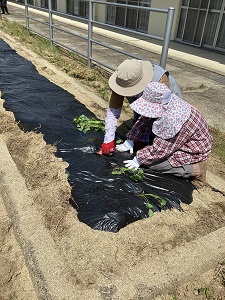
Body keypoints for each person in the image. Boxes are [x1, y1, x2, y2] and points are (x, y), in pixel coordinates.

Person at [116, 82, 213, 189]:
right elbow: (144, 119)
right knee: (149, 152)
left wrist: (139, 159)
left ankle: (196, 168)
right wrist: (131, 139)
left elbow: (160, 150)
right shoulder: (165, 101)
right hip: (184, 139)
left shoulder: (171, 120)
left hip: (194, 150)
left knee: (153, 164)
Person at [101, 59, 182, 155]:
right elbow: (113, 111)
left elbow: (158, 112)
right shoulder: (122, 79)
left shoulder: (159, 82)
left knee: (163, 132)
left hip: (165, 105)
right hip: (145, 103)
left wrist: (142, 138)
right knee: (139, 119)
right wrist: (108, 139)